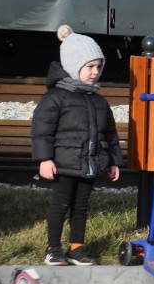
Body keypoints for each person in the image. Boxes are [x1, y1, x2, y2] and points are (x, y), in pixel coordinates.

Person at [31, 25, 123, 266]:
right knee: (60, 205)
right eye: (89, 67)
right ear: (73, 66)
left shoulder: (99, 101)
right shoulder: (56, 98)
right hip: (63, 164)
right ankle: (53, 248)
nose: (95, 72)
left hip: (89, 163)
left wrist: (114, 161)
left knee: (81, 206)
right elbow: (42, 131)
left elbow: (110, 134)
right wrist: (45, 159)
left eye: (98, 67)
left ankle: (77, 246)